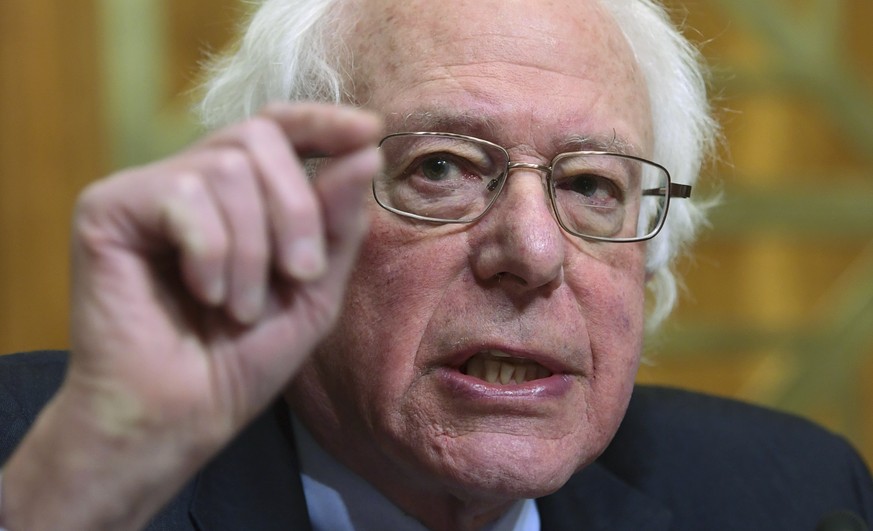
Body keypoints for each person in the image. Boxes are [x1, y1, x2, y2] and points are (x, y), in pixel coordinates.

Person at [1, 0, 871, 529]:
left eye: (591, 186)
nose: (532, 253)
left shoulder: (791, 498)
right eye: (441, 168)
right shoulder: (37, 465)